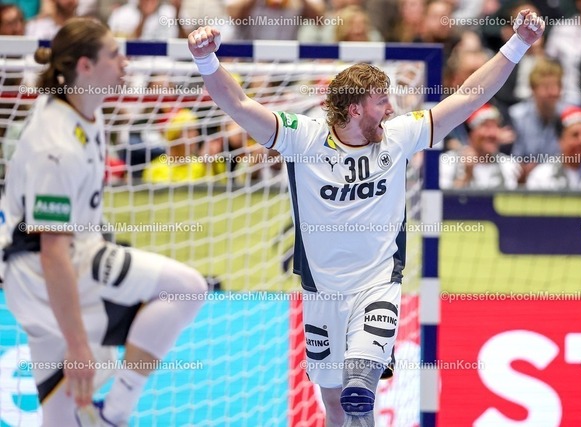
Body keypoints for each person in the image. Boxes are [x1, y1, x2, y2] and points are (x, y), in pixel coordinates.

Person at [187, 9, 544, 426]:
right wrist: (205, 59)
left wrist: (518, 43)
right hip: (321, 293)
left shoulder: (398, 136)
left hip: (377, 285)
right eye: (381, 102)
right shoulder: (303, 137)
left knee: (358, 389)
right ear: (355, 110)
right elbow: (238, 103)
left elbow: (468, 97)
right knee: (336, 405)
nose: (391, 109)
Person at [0, 18, 207, 426]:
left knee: (61, 420)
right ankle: (116, 413)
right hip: (48, 273)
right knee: (186, 288)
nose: (125, 62)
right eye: (114, 54)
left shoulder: (80, 109)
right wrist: (79, 345)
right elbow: (53, 251)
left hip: (43, 275)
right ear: (85, 66)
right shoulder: (56, 145)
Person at [440, 104, 521, 189]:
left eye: (496, 126)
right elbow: (440, 196)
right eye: (486, 127)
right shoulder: (448, 162)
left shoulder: (509, 165)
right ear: (471, 132)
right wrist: (467, 176)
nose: (492, 134)